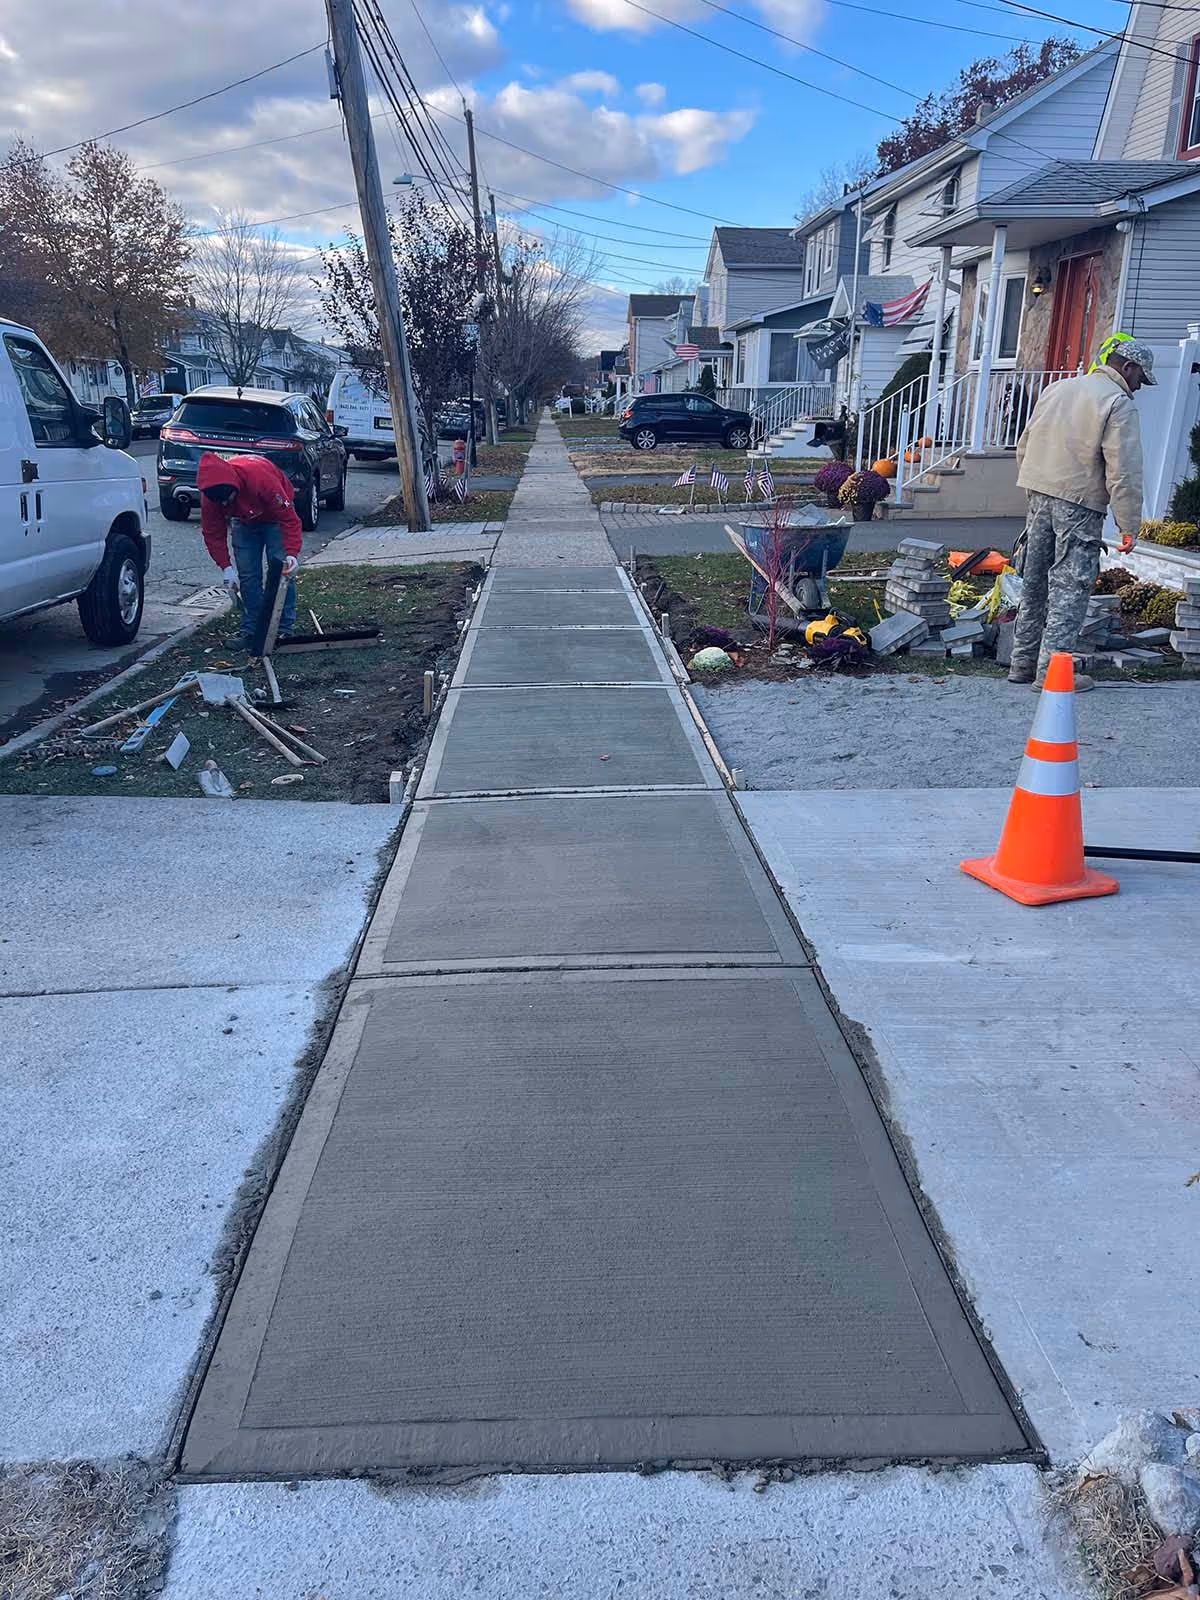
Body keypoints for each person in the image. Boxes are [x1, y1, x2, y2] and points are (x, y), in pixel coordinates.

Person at [1009, 338, 1155, 691]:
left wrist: (1033, 485)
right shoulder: (1117, 403)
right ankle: (1052, 674)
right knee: (1070, 588)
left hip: (1039, 495)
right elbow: (1123, 471)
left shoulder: (1059, 388)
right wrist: (1128, 524)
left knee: (1035, 580)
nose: (1140, 387)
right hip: (1079, 503)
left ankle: (1022, 663)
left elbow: (1025, 443)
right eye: (1141, 378)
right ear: (1128, 367)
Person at [197, 452, 302, 651]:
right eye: (222, 503)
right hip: (244, 522)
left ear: (234, 486)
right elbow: (212, 532)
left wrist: (291, 554)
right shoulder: (210, 496)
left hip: (275, 518)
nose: (226, 505)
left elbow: (290, 519)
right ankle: (251, 630)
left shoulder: (260, 478)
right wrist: (226, 568)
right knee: (247, 575)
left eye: (229, 499)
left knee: (281, 571)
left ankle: (284, 628)